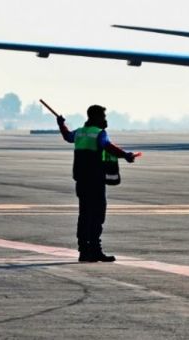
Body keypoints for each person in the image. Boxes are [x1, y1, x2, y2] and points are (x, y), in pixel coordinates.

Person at [57, 104, 138, 262]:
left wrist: (61, 124)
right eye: (103, 116)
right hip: (95, 180)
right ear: (95, 117)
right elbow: (108, 147)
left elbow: (67, 136)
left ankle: (84, 251)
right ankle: (95, 249)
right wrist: (126, 155)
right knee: (97, 215)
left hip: (81, 179)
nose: (105, 120)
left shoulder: (80, 132)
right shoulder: (99, 134)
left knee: (84, 215)